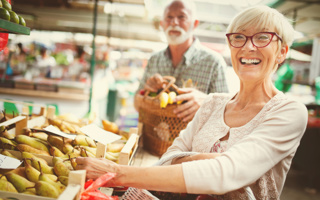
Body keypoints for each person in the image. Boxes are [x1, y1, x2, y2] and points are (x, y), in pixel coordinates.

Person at [76, 5, 308, 200]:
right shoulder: (212, 103)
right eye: (239, 37)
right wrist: (209, 160)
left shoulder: (290, 112)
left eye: (262, 37)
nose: (248, 47)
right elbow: (167, 158)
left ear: (282, 52)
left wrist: (116, 173)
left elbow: (228, 172)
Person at [134, 0, 229, 122]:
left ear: (194, 24)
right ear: (162, 24)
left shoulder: (213, 62)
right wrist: (146, 91)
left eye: (181, 17)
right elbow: (137, 105)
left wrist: (206, 103)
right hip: (154, 139)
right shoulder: (154, 60)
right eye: (169, 18)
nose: (174, 23)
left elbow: (227, 111)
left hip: (195, 140)